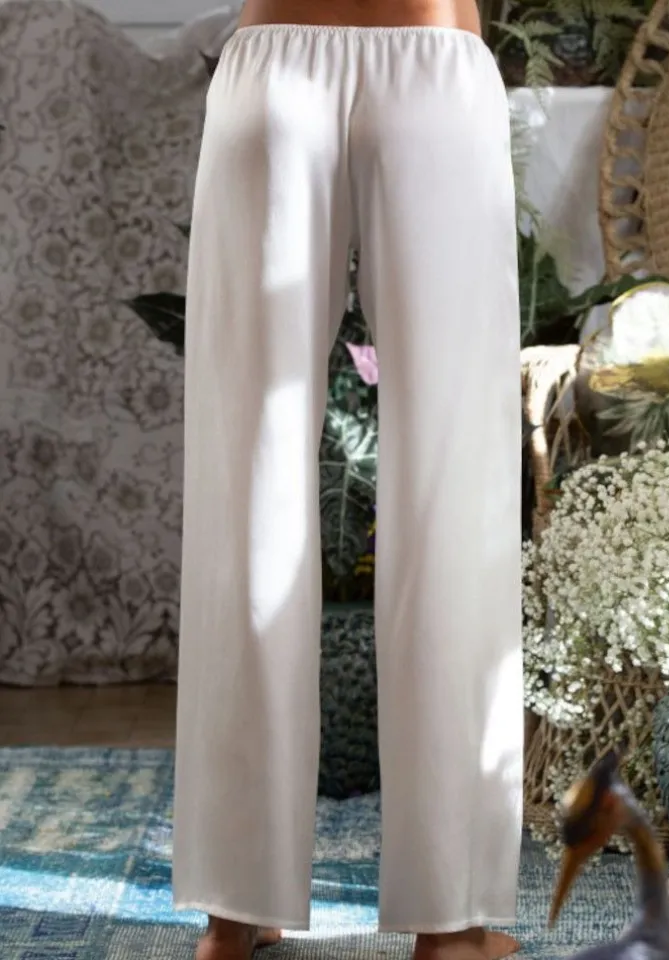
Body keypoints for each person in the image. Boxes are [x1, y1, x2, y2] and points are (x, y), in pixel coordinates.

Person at [173, 1, 524, 959]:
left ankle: (233, 913)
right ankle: (449, 926)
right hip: (433, 62)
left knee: (248, 483)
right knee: (452, 483)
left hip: (271, 69)